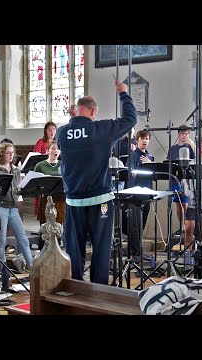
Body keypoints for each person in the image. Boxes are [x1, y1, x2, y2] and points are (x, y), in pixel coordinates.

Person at [56, 80, 137, 285]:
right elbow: (130, 119)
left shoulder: (62, 133)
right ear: (93, 112)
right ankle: (98, 292)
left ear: (76, 111)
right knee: (101, 248)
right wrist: (123, 94)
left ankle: (75, 288)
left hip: (74, 201)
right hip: (100, 199)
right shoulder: (100, 129)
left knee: (74, 249)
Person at [0, 142, 34, 291]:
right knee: (0, 241)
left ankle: (34, 272)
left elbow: (17, 188)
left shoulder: (16, 170)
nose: (11, 155)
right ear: (1, 154)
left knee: (23, 239)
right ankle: (3, 274)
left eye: (12, 153)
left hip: (13, 208)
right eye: (8, 153)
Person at [124, 130, 154, 263]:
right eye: (143, 138)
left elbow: (154, 173)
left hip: (147, 194)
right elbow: (130, 174)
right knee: (134, 225)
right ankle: (134, 252)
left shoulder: (150, 157)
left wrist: (149, 163)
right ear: (137, 140)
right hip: (135, 195)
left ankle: (139, 251)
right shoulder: (133, 155)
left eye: (147, 138)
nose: (145, 141)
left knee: (141, 224)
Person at [167, 124, 195, 232]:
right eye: (183, 133)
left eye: (187, 133)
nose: (185, 135)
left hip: (187, 180)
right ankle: (182, 226)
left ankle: (188, 226)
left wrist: (191, 144)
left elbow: (197, 158)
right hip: (175, 179)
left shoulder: (190, 147)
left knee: (186, 204)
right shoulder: (173, 148)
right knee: (178, 205)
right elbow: (168, 162)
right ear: (178, 134)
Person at [33, 140, 65, 225]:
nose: (55, 151)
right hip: (46, 199)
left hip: (61, 199)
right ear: (47, 151)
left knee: (59, 228)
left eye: (58, 149)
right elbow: (34, 183)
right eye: (53, 148)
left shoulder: (63, 164)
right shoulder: (40, 165)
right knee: (45, 227)